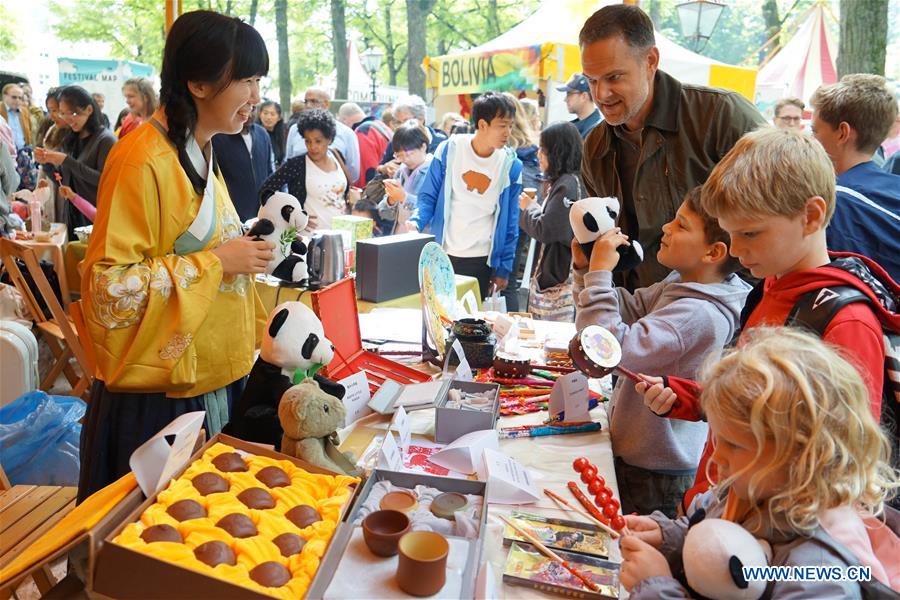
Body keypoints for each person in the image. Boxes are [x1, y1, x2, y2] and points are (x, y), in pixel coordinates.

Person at [637, 127, 900, 513]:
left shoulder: (846, 323)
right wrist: (695, 398)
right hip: (720, 511)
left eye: (750, 233)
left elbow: (842, 471)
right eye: (730, 233)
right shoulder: (771, 287)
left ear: (811, 216)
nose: (736, 249)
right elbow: (763, 409)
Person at [78, 10, 273, 501]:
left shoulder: (201, 148)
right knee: (159, 535)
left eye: (258, 81)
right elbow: (108, 289)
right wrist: (218, 263)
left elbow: (190, 242)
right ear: (199, 84)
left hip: (208, 373)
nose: (256, 96)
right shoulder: (140, 158)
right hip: (162, 396)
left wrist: (243, 249)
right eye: (246, 80)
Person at [621, 327, 900, 598]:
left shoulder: (821, 573)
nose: (718, 456)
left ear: (799, 456)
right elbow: (721, 547)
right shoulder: (747, 490)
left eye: (733, 444)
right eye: (718, 439)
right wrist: (671, 537)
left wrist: (655, 589)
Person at [573, 185, 750, 516]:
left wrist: (599, 274)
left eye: (681, 225)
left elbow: (607, 347)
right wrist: (587, 271)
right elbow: (628, 309)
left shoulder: (698, 314)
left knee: (631, 541)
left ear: (713, 253)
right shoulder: (682, 283)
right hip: (642, 457)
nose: (666, 227)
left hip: (654, 473)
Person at [579, 4, 765, 291]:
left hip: (724, 310)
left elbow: (779, 216)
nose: (601, 94)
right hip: (636, 312)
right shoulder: (594, 146)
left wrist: (744, 304)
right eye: (591, 80)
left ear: (650, 61)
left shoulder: (720, 116)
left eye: (614, 77)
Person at [408, 91, 522, 300]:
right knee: (440, 312)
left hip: (482, 260)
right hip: (443, 253)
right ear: (482, 125)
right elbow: (428, 196)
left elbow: (511, 223)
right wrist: (416, 221)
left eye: (510, 126)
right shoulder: (449, 150)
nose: (508, 132)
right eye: (502, 125)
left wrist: (503, 268)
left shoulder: (511, 165)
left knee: (471, 318)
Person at [810, 74, 900, 282]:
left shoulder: (830, 205)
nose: (810, 140)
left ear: (842, 133)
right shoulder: (894, 187)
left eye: (815, 131)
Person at [518, 121, 582, 322]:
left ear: (557, 152)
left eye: (543, 149)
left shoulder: (567, 185)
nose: (538, 154)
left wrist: (528, 207)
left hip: (558, 278)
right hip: (557, 274)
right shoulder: (569, 181)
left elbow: (546, 229)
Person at [34, 86, 116, 236]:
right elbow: (63, 180)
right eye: (63, 113)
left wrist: (66, 160)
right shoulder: (70, 138)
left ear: (89, 110)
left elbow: (104, 180)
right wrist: (45, 162)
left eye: (73, 113)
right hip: (72, 214)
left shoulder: (105, 140)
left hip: (96, 216)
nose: (67, 118)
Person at [260, 108, 350, 234]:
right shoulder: (297, 165)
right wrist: (289, 216)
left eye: (318, 141)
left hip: (341, 234)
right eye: (308, 141)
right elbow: (265, 190)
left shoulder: (337, 156)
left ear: (329, 139)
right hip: (309, 237)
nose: (312, 146)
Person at [503, 92, 540, 312]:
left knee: (504, 282)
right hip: (523, 221)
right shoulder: (531, 148)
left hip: (510, 221)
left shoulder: (510, 151)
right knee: (509, 283)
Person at [212, 105, 275, 221]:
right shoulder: (218, 137)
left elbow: (269, 171)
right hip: (231, 214)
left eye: (253, 108)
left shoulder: (262, 134)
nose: (248, 113)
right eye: (242, 107)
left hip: (262, 211)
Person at [285, 86, 360, 183]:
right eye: (306, 101)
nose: (308, 105)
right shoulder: (294, 130)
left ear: (326, 104)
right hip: (299, 190)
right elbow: (288, 162)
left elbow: (353, 171)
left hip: (334, 190)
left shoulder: (346, 133)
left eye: (313, 101)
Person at [376, 122, 433, 235]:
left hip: (423, 238)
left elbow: (433, 212)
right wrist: (391, 200)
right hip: (399, 235)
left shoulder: (434, 172)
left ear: (423, 147)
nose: (405, 160)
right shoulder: (400, 172)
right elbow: (384, 214)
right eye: (399, 155)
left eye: (409, 154)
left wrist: (404, 198)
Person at [378, 95, 447, 171]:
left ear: (421, 119)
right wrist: (384, 169)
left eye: (406, 121)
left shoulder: (441, 143)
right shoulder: (394, 143)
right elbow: (378, 172)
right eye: (398, 122)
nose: (402, 126)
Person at [338, 102, 392, 187]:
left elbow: (367, 171)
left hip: (376, 187)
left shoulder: (362, 133)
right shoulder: (381, 125)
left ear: (344, 120)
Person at [557, 73, 600, 139]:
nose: (565, 99)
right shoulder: (576, 127)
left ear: (584, 96)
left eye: (569, 94)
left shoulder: (596, 131)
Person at [1, 84, 32, 150]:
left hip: (23, 151)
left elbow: (29, 131)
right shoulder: (1, 110)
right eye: (14, 97)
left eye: (20, 98)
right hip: (4, 152)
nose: (17, 100)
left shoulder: (24, 111)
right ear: (4, 96)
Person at [257, 99, 287, 167]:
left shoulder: (279, 135)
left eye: (272, 114)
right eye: (265, 113)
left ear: (279, 117)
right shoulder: (255, 134)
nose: (268, 117)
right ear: (260, 114)